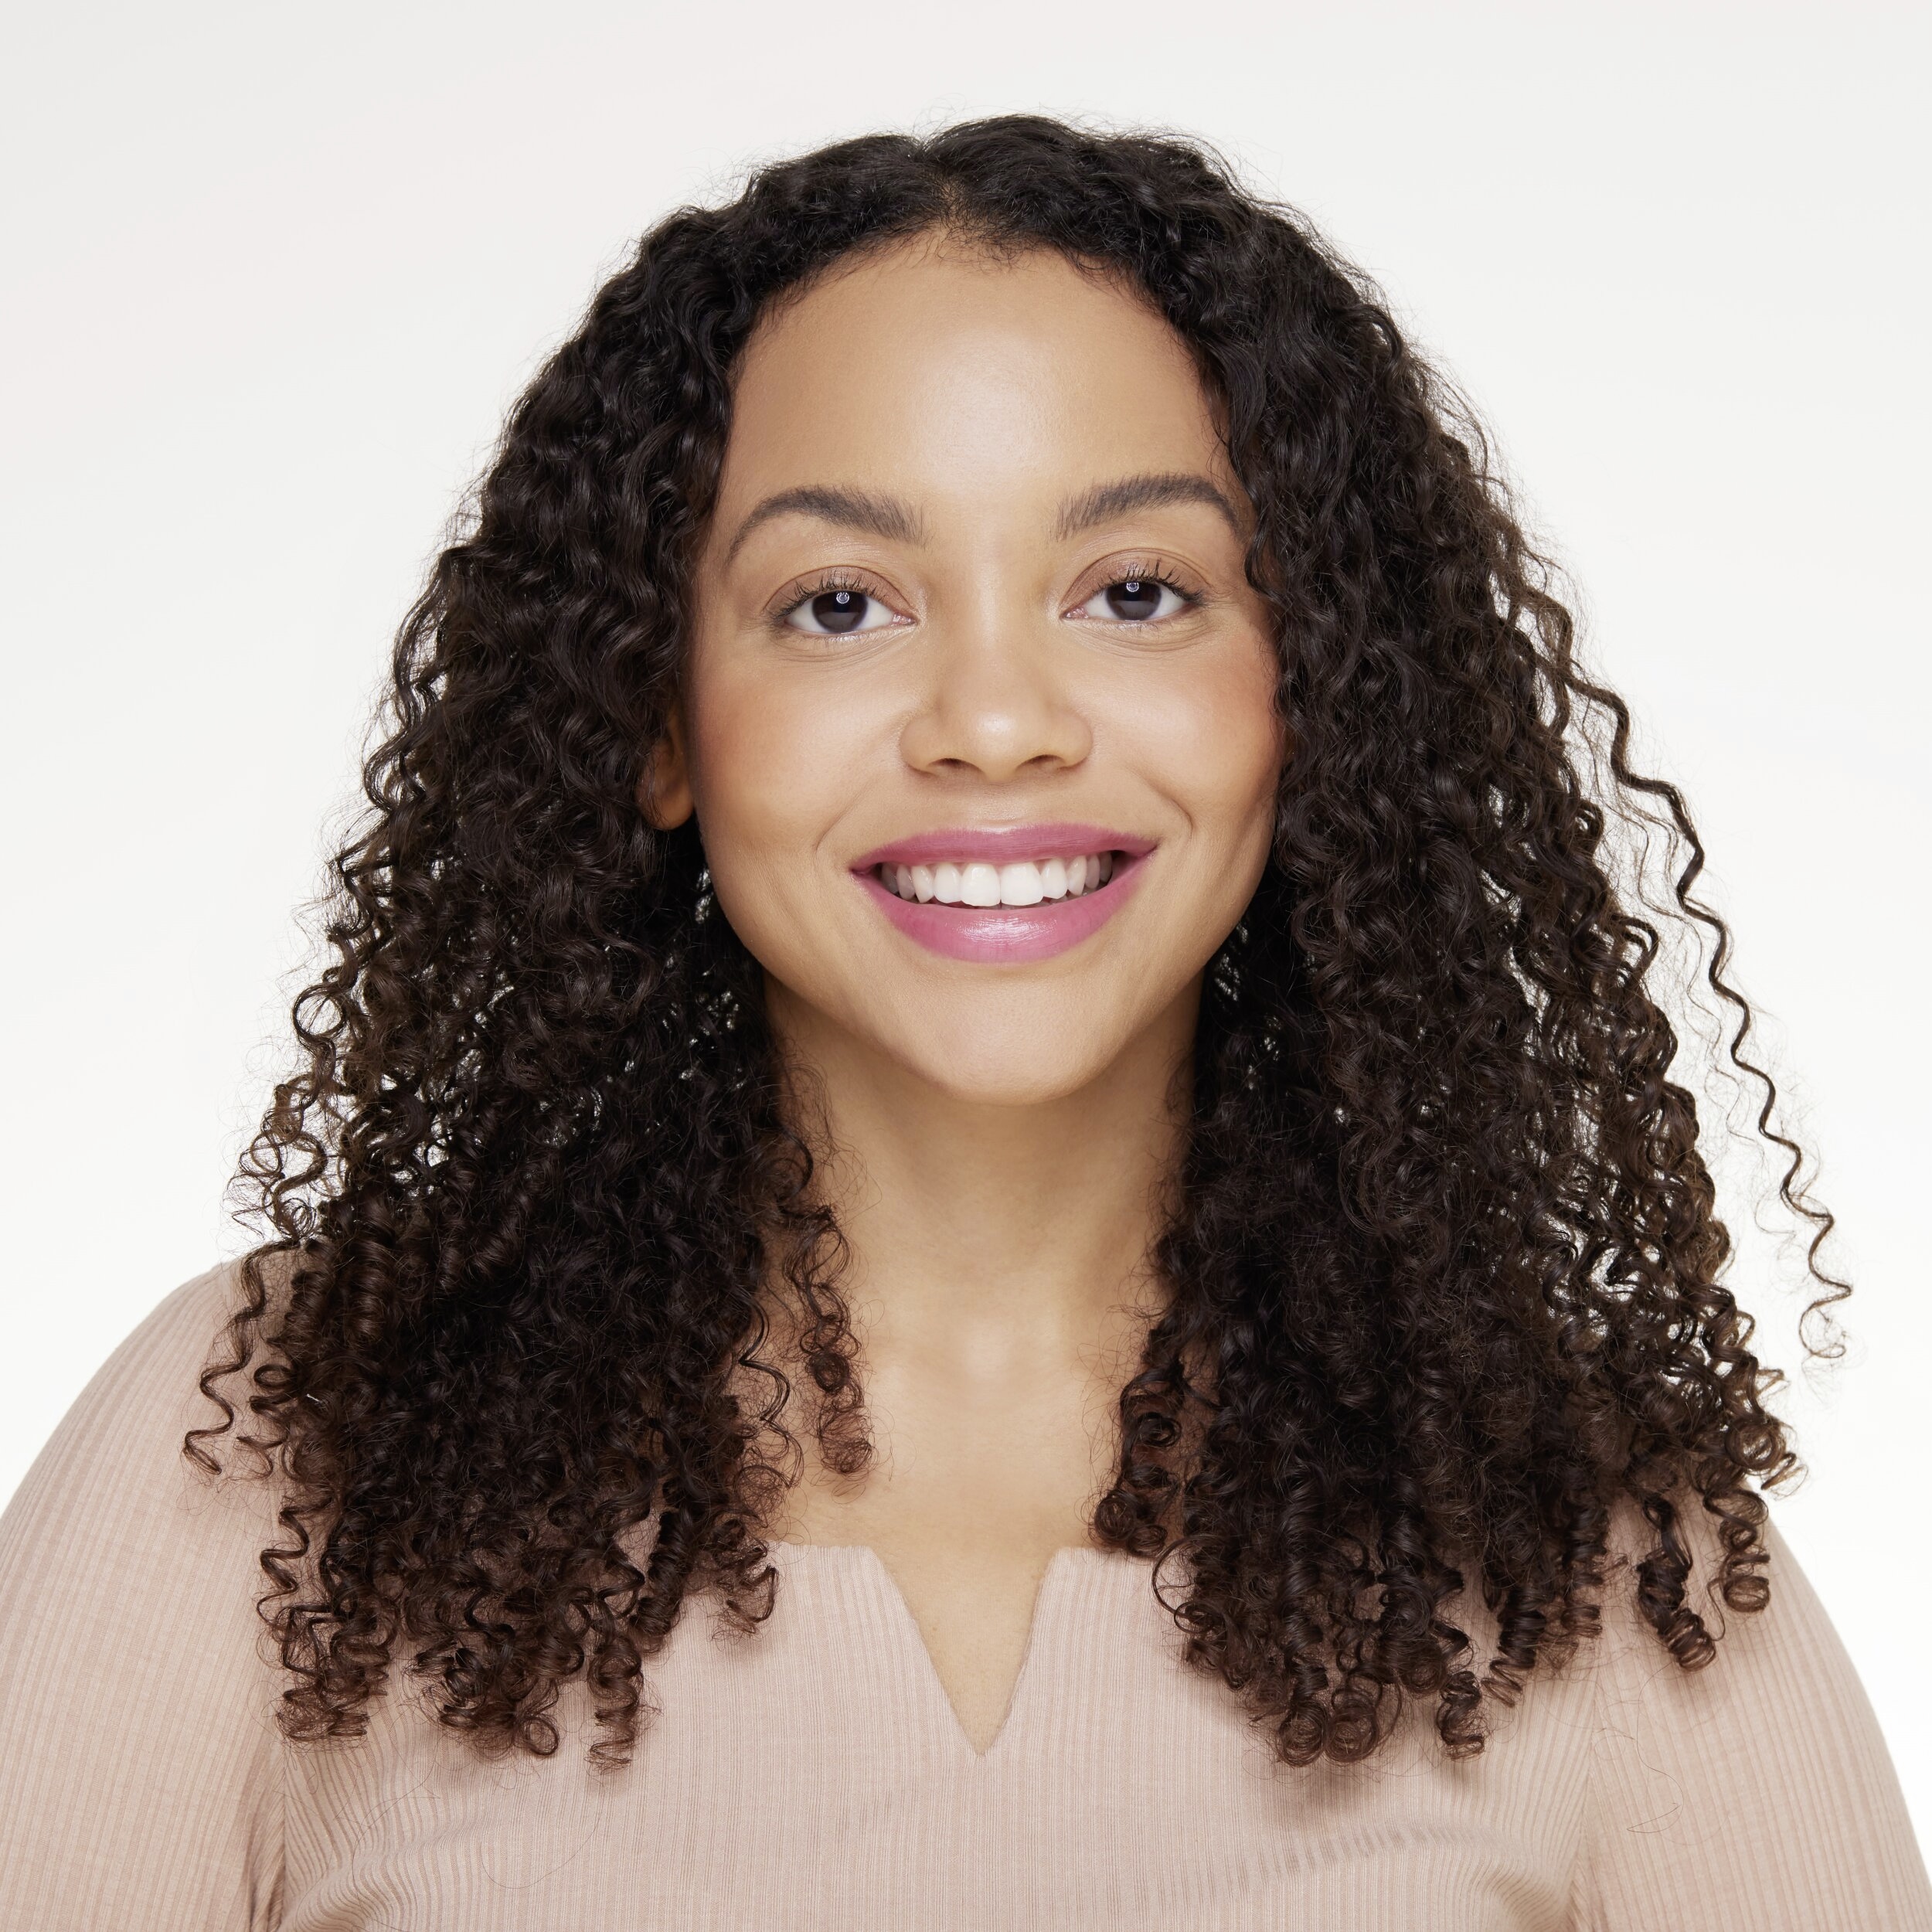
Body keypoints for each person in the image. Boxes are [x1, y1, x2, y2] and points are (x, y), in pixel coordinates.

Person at [0, 114, 1924, 1930]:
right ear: (661, 721)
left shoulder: (1591, 1545)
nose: (994, 721)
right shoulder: (270, 1449)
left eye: (1136, 590)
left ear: (1310, 694)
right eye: (840, 603)